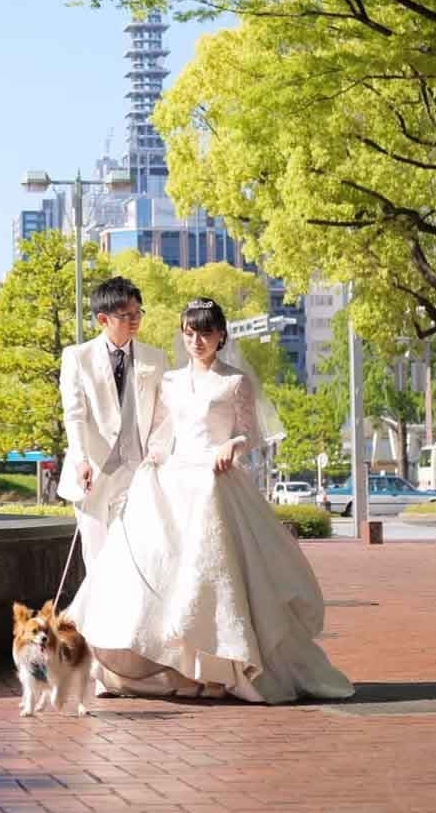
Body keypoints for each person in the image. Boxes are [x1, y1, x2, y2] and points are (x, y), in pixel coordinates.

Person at [69, 297, 354, 704]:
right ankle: (173, 671)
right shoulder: (169, 381)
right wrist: (154, 454)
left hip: (215, 480)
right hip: (173, 482)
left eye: (204, 332)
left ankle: (223, 668)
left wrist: (232, 447)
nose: (196, 341)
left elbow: (250, 434)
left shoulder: (234, 382)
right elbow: (164, 433)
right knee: (159, 572)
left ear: (221, 336)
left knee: (214, 577)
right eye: (189, 333)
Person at [57, 276, 169, 576]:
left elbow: (163, 416)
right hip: (92, 473)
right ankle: (99, 621)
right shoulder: (77, 357)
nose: (134, 320)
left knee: (134, 554)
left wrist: (156, 456)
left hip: (138, 472)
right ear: (103, 319)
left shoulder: (155, 359)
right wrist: (81, 460)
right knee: (96, 559)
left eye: (138, 313)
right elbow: (74, 414)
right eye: (126, 315)